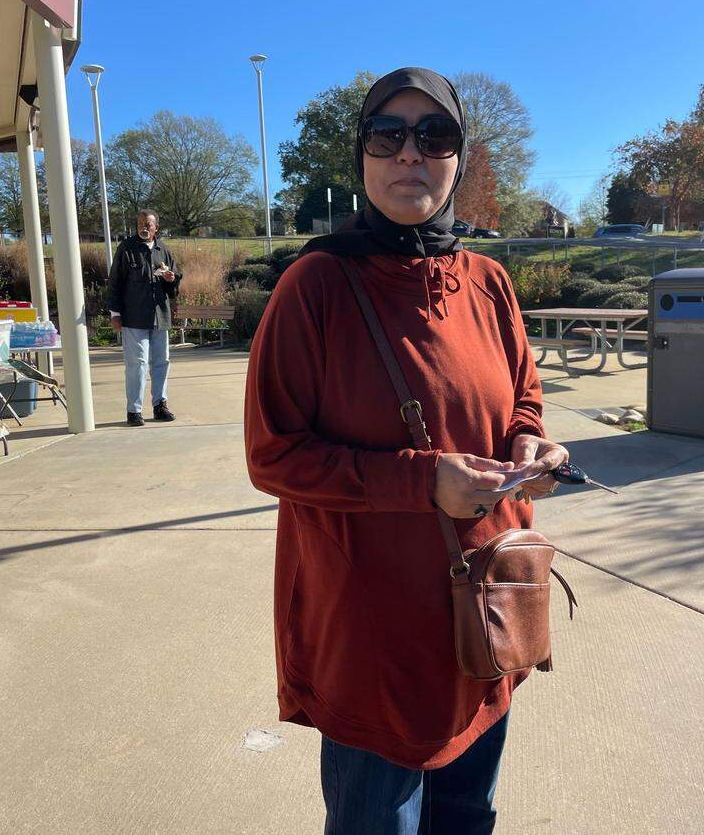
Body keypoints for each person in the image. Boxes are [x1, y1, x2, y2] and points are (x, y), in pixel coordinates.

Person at [244, 67, 571, 834]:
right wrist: (424, 483)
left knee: (469, 816)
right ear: (360, 156)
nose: (410, 155)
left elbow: (523, 394)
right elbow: (273, 455)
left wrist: (531, 442)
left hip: (485, 613)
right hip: (374, 639)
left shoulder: (488, 281)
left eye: (435, 136)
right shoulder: (316, 287)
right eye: (386, 136)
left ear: (460, 157)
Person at [107, 209, 181, 427]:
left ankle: (160, 406)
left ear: (156, 227)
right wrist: (115, 313)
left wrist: (171, 278)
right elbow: (115, 282)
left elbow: (175, 283)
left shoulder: (163, 250)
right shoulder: (127, 248)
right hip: (134, 318)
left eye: (148, 224)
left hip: (160, 317)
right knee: (137, 364)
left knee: (161, 362)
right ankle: (134, 410)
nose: (144, 227)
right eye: (140, 223)